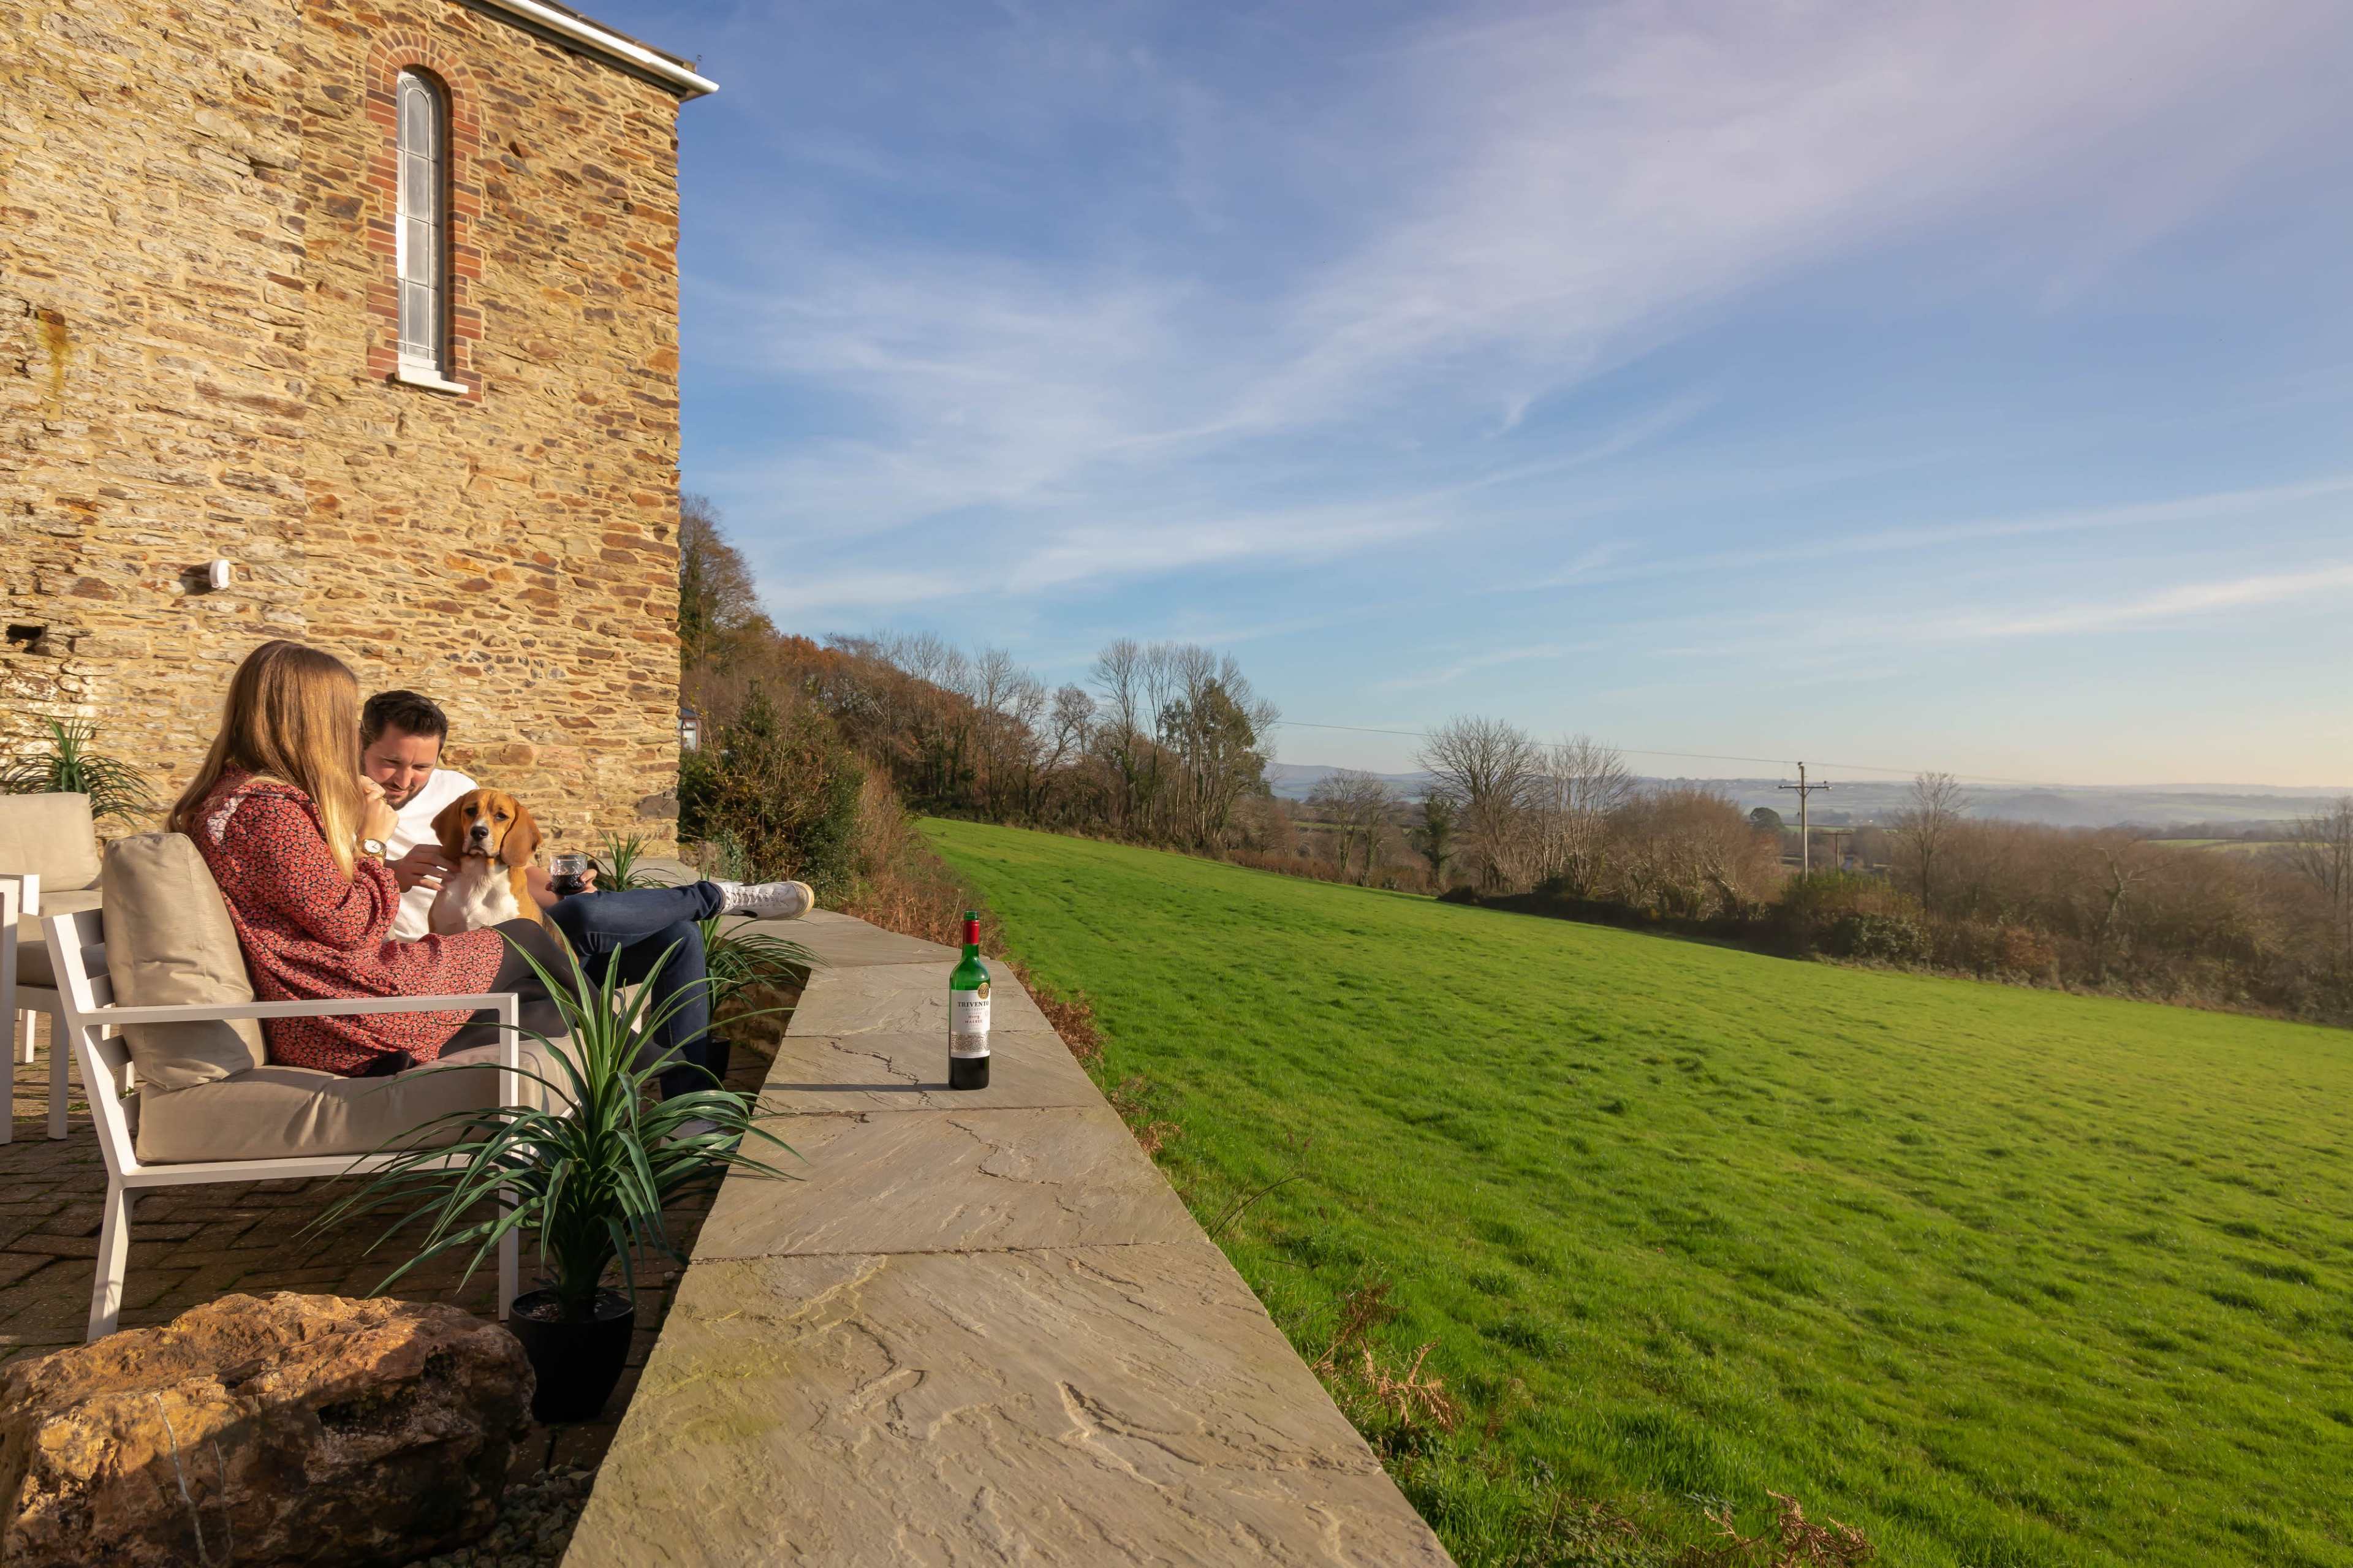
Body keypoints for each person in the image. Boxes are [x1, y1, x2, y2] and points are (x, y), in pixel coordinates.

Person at [358, 689, 813, 1097]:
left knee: (675, 938)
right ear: (363, 745)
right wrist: (388, 870)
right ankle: (714, 897)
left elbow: (520, 871)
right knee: (601, 924)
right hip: (460, 971)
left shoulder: (459, 792)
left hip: (533, 947)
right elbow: (339, 914)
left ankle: (691, 1104)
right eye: (391, 762)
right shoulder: (342, 808)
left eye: (422, 765)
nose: (405, 778)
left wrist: (568, 891)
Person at [169, 642, 573, 1077]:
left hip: (333, 1002)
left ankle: (638, 1087)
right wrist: (374, 845)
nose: (347, 730)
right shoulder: (268, 809)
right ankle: (643, 1076)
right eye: (342, 716)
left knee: (544, 1010)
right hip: (345, 1008)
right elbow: (349, 926)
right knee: (527, 937)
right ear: (310, 721)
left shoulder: (236, 797)